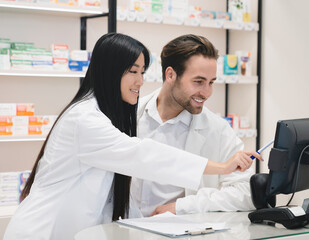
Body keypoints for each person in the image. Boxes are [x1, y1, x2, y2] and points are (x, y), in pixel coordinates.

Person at [3, 33, 257, 240]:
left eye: (142, 72)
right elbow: (142, 155)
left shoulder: (107, 114)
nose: (140, 81)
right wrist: (220, 167)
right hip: (44, 231)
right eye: (133, 72)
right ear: (111, 72)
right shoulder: (86, 120)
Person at [130, 34, 260, 218]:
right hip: (125, 228)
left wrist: (182, 206)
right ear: (170, 75)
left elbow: (245, 193)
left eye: (211, 82)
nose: (207, 92)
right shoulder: (130, 116)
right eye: (198, 82)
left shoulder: (217, 129)